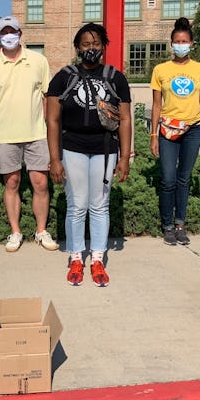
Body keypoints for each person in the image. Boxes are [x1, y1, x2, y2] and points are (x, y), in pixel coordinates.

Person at [47, 23, 132, 287]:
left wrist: (125, 157)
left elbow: (126, 119)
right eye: (86, 44)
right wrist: (55, 159)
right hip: (73, 147)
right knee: (76, 205)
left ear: (104, 47)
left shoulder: (115, 78)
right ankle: (75, 256)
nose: (91, 49)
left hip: (105, 149)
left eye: (96, 44)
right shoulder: (63, 77)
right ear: (77, 48)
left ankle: (97, 257)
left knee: (99, 204)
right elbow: (52, 120)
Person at [0, 15, 58, 253]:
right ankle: (15, 232)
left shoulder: (38, 61)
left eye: (13, 31)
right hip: (5, 137)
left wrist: (42, 123)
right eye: (4, 32)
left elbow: (46, 96)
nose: (9, 36)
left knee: (40, 183)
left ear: (21, 34)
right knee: (11, 182)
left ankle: (41, 231)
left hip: (36, 134)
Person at [150, 17, 200, 246]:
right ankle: (167, 225)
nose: (181, 45)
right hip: (167, 130)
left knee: (184, 179)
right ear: (171, 44)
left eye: (185, 41)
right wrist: (153, 135)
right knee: (168, 179)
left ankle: (180, 224)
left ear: (191, 44)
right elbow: (156, 105)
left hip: (193, 129)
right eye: (177, 41)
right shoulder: (160, 70)